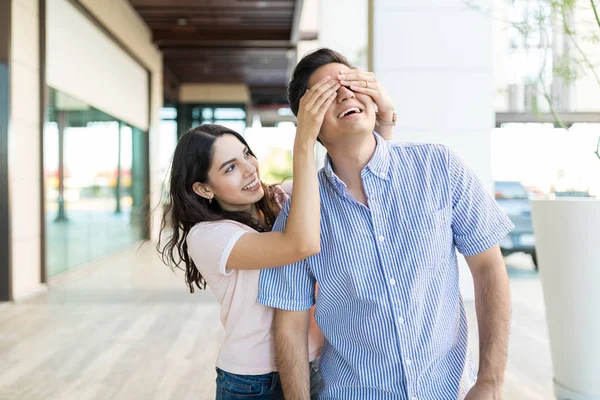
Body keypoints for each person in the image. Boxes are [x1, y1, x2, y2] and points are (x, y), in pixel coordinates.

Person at [258, 48, 515, 400]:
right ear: (310, 121)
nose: (346, 94)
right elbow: (290, 323)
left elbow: (488, 269)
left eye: (352, 83)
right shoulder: (299, 218)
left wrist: (491, 380)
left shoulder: (438, 167)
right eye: (328, 93)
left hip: (449, 390)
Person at [157, 73, 340, 400]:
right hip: (254, 382)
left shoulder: (279, 200)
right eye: (229, 167)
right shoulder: (208, 237)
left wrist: (383, 119)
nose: (249, 168)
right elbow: (300, 244)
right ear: (203, 188)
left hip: (315, 361)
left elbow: (349, 179)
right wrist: (303, 142)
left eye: (246, 154)